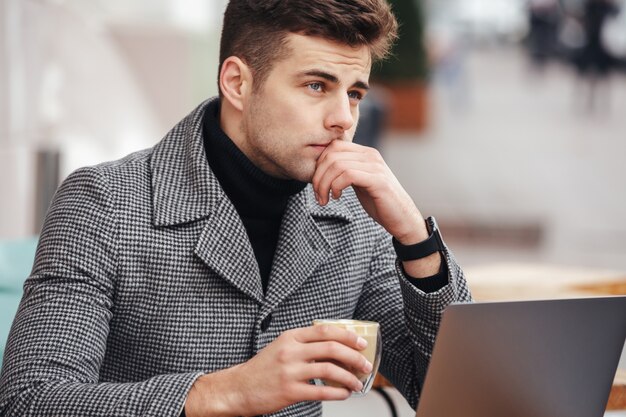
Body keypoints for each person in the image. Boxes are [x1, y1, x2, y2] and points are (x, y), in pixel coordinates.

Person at [0, 1, 472, 416]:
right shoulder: (104, 202)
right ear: (237, 83)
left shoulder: (355, 218)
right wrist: (223, 393)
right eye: (316, 85)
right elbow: (30, 399)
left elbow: (459, 395)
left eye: (353, 93)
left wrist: (414, 235)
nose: (344, 120)